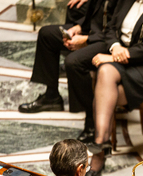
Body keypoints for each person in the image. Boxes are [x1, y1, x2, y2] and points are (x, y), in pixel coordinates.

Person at [82, 0, 143, 176]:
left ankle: (99, 151)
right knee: (104, 73)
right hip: (122, 60)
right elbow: (110, 28)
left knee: (102, 92)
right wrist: (115, 47)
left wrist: (114, 57)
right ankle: (101, 142)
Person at [18, 0, 117, 144]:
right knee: (47, 34)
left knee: (73, 62)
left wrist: (87, 40)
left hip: (108, 43)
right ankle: (52, 97)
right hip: (94, 32)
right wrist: (79, 27)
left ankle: (91, 121)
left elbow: (117, 30)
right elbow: (96, 11)